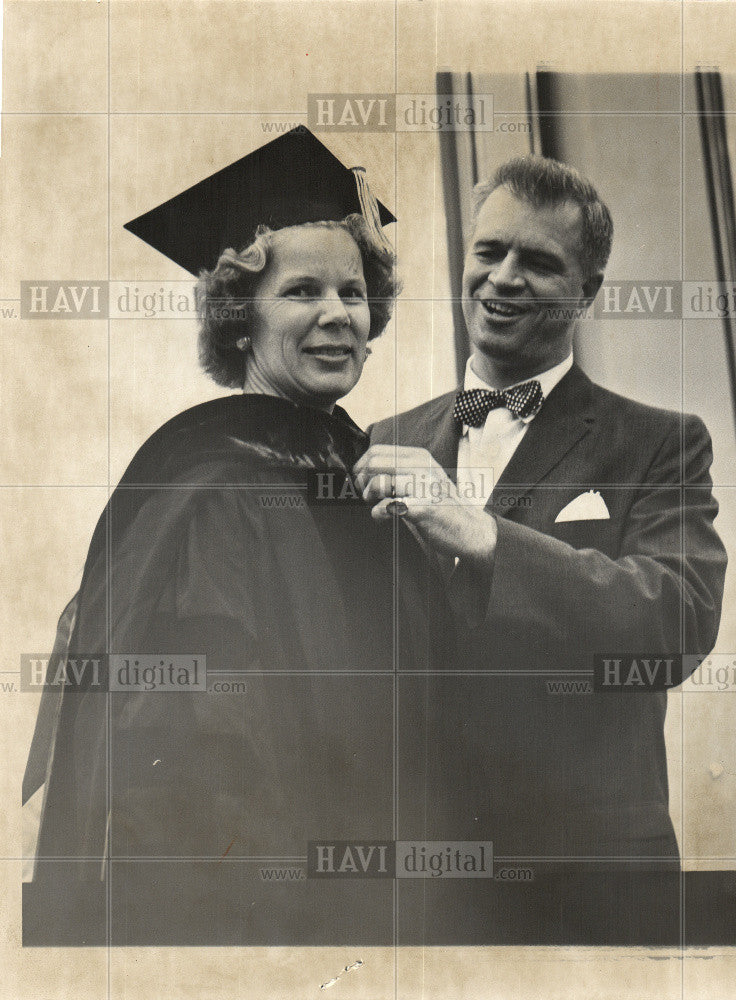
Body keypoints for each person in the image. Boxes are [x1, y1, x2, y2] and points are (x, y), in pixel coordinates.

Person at [23, 127, 449, 946]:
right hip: (270, 917)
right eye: (301, 293)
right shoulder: (213, 490)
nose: (336, 316)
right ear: (239, 319)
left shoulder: (369, 469)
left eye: (352, 294)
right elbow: (191, 771)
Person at [356, 156, 727, 894]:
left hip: (592, 873)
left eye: (538, 262)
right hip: (430, 876)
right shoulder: (381, 438)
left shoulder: (659, 440)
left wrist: (488, 537)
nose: (501, 279)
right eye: (488, 252)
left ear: (585, 291)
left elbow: (677, 622)